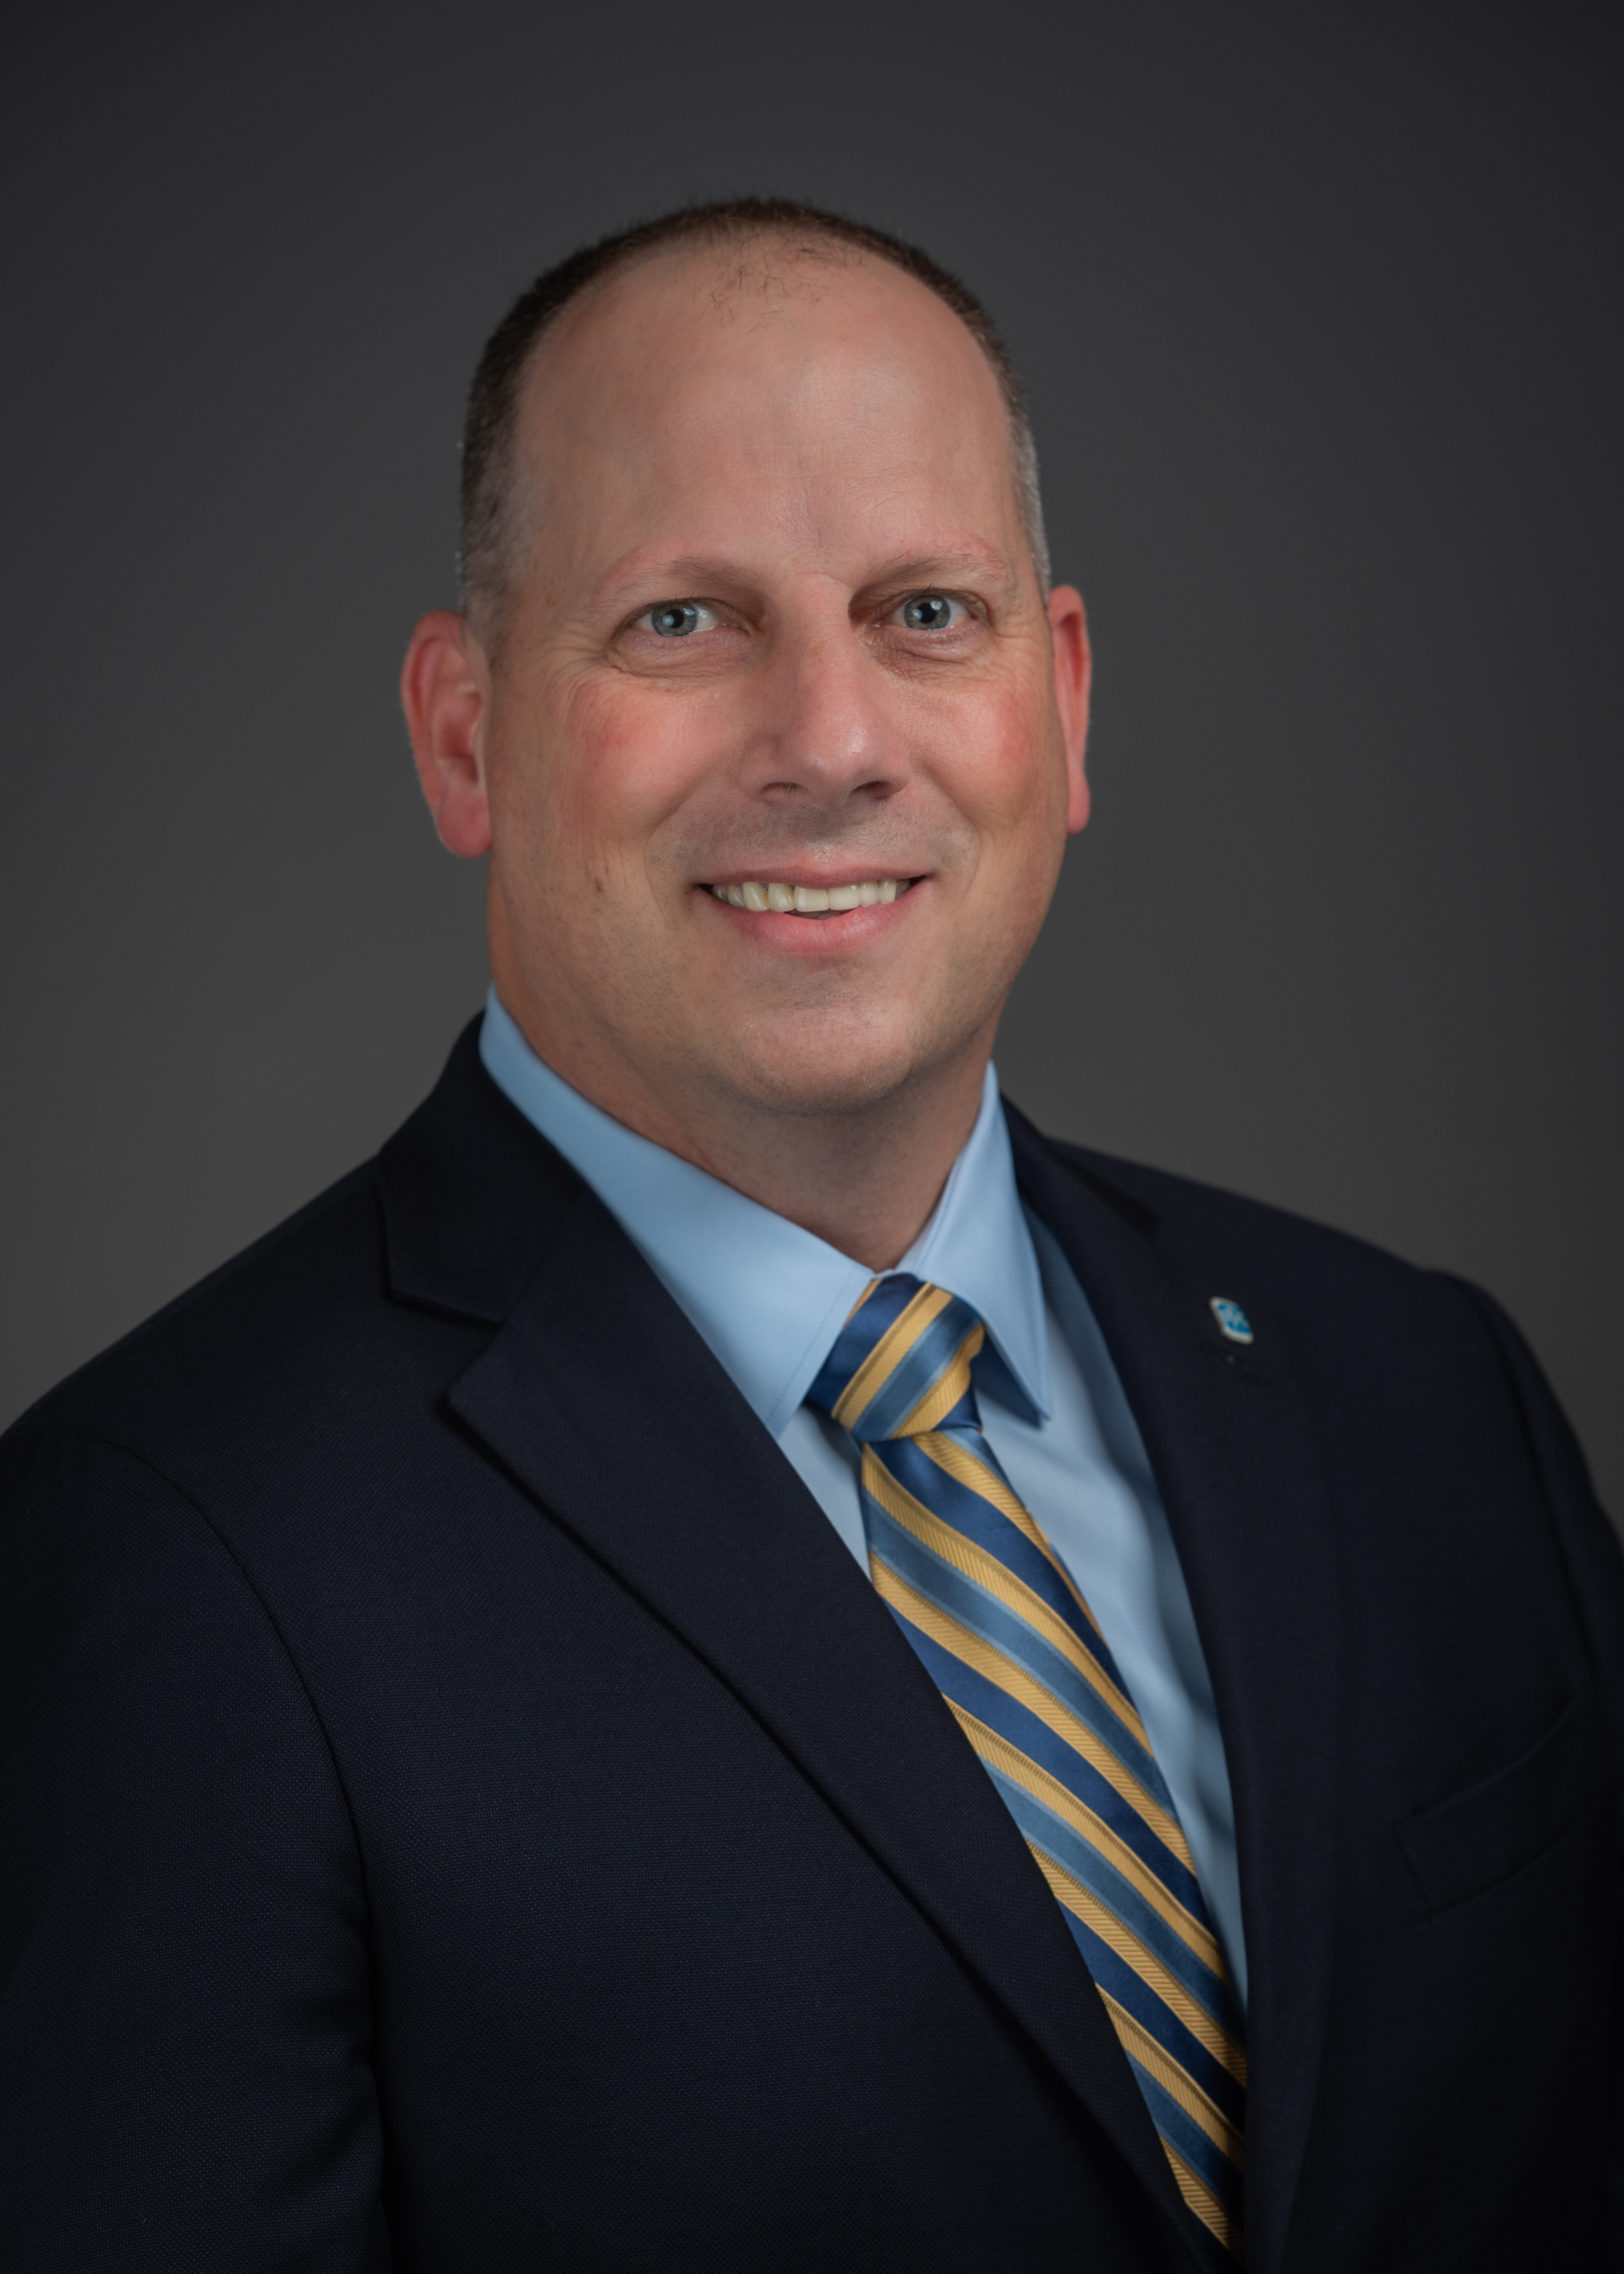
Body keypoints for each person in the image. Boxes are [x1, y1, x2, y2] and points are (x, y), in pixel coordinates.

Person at [1, 198, 1619, 2274]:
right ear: (464, 731)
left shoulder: (1424, 1392)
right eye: (683, 621)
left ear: (1062, 701)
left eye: (924, 613)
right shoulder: (157, 1560)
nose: (832, 743)